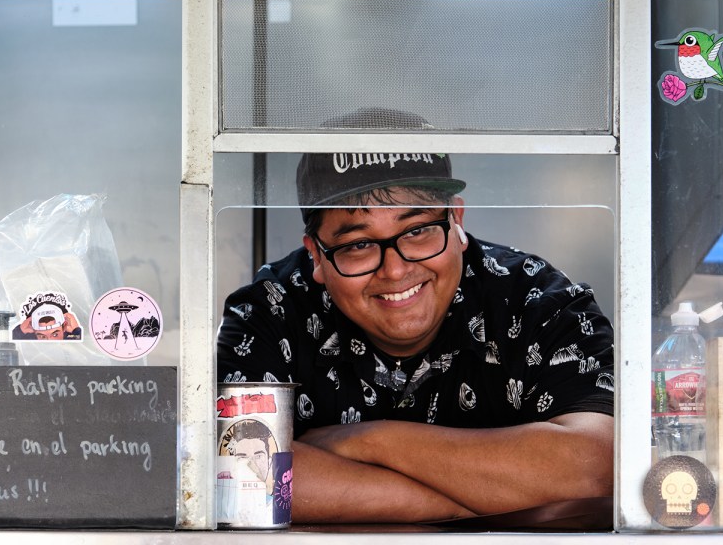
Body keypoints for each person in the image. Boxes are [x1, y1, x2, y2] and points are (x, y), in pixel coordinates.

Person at [216, 108, 615, 524]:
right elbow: (242, 476)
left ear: (456, 220)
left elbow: (595, 466)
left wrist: (369, 441)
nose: (395, 270)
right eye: (357, 245)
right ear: (316, 254)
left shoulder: (540, 302)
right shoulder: (270, 309)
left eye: (417, 230)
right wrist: (488, 501)